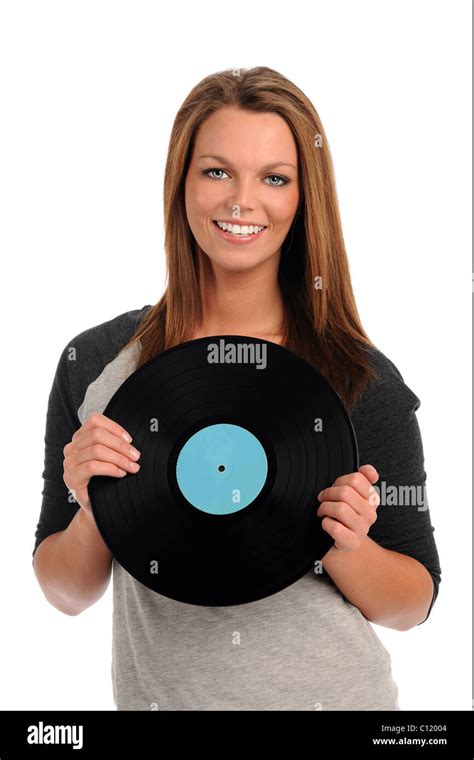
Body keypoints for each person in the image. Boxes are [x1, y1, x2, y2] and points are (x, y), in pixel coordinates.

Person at [32, 66, 441, 711]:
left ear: (305, 198)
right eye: (217, 170)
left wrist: (347, 546)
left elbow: (414, 602)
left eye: (274, 178)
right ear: (181, 182)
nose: (241, 201)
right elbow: (64, 592)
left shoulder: (362, 378)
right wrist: (92, 505)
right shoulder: (96, 363)